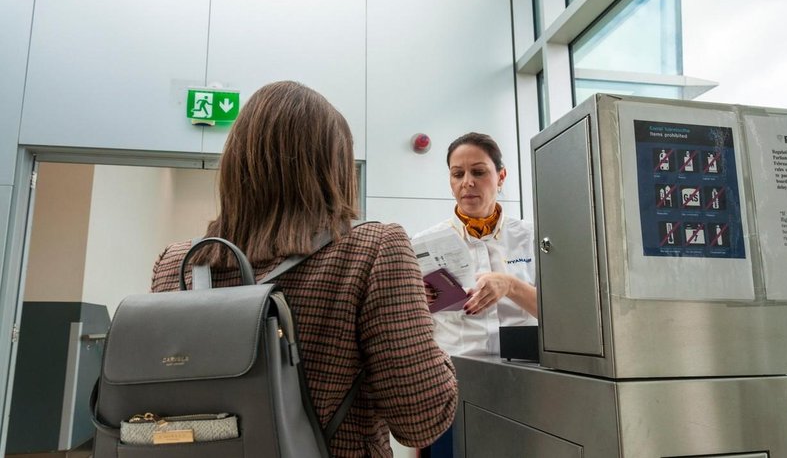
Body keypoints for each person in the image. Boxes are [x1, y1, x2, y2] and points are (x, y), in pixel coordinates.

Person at [150, 81, 458, 457]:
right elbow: (421, 420)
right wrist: (417, 324)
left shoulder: (176, 264)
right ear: (336, 168)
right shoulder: (373, 249)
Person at [414, 132, 539, 356]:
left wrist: (511, 286)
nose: (467, 182)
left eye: (479, 172)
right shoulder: (423, 243)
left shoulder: (533, 237)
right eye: (457, 174)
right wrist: (414, 299)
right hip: (455, 371)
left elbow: (562, 317)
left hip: (525, 368)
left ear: (501, 176)